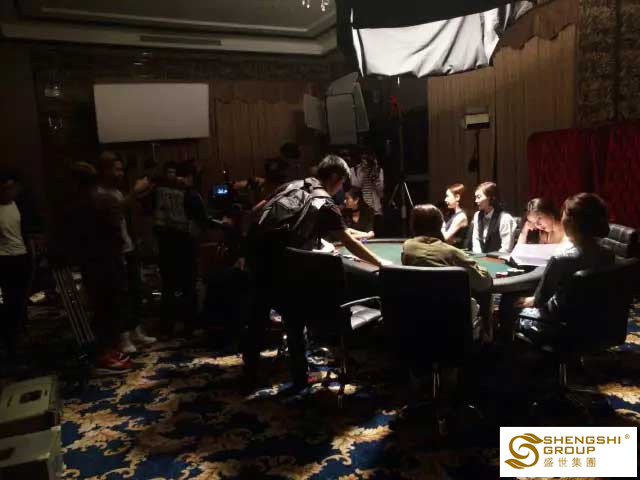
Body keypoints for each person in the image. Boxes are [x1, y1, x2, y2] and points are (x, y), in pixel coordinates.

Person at [244, 155, 390, 389]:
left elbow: (255, 212)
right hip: (286, 268)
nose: (341, 189)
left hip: (260, 261)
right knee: (294, 322)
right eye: (341, 183)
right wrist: (381, 263)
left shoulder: (291, 186)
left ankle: (250, 371)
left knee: (257, 318)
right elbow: (349, 242)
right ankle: (300, 378)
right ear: (334, 177)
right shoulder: (325, 202)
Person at [514, 193, 614, 320]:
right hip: (598, 317)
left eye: (563, 215)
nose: (561, 219)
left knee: (512, 305)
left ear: (571, 222)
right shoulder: (609, 253)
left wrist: (528, 300)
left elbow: (539, 300)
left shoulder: (560, 258)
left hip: (561, 320)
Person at [95, 152, 157, 353]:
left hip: (128, 247)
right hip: (113, 252)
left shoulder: (117, 191)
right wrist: (135, 192)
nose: (120, 173)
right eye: (116, 169)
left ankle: (135, 330)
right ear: (104, 170)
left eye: (121, 169)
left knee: (135, 291)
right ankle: (123, 337)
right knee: (120, 295)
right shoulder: (99, 193)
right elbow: (114, 212)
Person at [402, 204, 492, 333]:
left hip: (416, 314)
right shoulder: (452, 252)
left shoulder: (408, 247)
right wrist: (482, 270)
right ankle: (488, 337)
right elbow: (482, 283)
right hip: (453, 315)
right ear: (439, 225)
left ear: (413, 225)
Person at [153, 162, 210, 334]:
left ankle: (166, 326)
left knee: (168, 286)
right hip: (185, 243)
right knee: (188, 286)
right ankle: (189, 325)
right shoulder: (190, 193)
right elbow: (202, 218)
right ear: (190, 176)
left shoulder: (159, 190)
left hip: (165, 242)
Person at [0, 172, 41, 360]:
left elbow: (26, 230)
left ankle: (20, 334)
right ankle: (11, 342)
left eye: (12, 187)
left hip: (22, 256)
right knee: (10, 300)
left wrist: (32, 253)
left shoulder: (18, 205)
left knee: (21, 299)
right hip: (4, 258)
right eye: (6, 188)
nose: (10, 191)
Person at [470, 182, 517, 253]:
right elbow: (476, 239)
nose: (476, 201)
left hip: (498, 258)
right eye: (475, 197)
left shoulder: (505, 218)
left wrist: (490, 258)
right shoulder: (477, 215)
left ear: (491, 198)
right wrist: (478, 256)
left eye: (479, 197)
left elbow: (506, 248)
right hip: (481, 257)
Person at [350, 148, 384, 232]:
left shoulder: (378, 170)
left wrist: (375, 180)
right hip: (361, 208)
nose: (365, 161)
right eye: (363, 158)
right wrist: (363, 174)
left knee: (375, 233)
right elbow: (355, 189)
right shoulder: (354, 170)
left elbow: (381, 193)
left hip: (375, 208)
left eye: (367, 158)